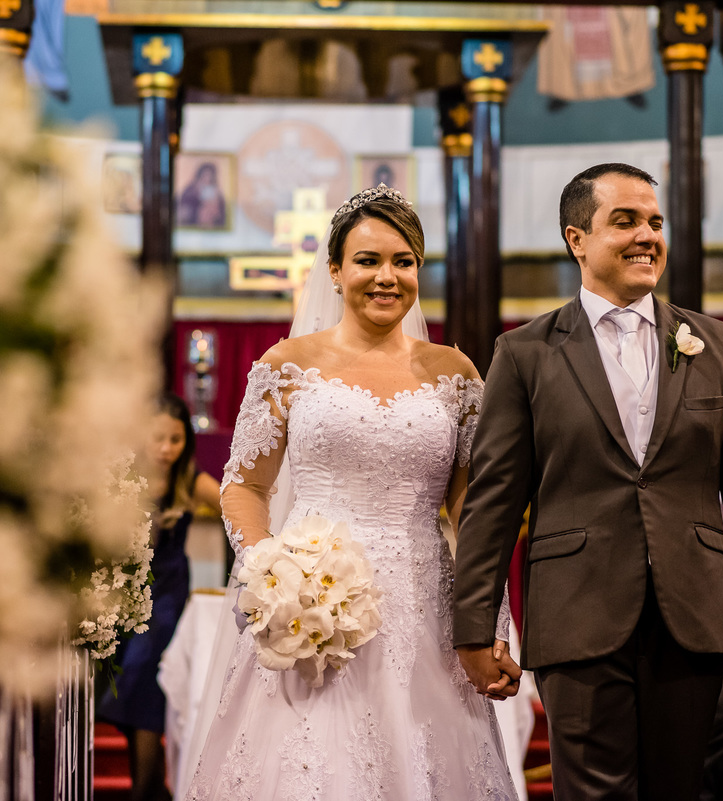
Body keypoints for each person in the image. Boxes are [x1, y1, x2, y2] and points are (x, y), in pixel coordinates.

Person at [451, 163, 723, 801]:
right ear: (576, 238)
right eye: (626, 221)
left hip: (690, 617)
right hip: (576, 616)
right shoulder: (525, 354)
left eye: (655, 222)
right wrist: (476, 628)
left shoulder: (714, 344)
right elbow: (493, 503)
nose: (647, 235)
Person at [184, 186, 520, 800]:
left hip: (426, 604)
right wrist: (269, 571)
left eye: (404, 261)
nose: (386, 276)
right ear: (335, 271)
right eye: (367, 261)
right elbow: (244, 485)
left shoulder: (455, 372)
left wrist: (490, 620)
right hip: (309, 605)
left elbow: (474, 509)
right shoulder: (287, 364)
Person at [98, 393, 221, 801]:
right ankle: (151, 787)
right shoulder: (125, 478)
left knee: (143, 676)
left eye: (176, 439)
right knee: (133, 682)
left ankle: (145, 788)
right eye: (158, 439)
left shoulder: (190, 480)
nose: (167, 448)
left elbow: (236, 507)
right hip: (128, 596)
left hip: (167, 596)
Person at [177, 162, 227, 229]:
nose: (207, 179)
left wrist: (214, 201)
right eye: (205, 175)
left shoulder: (216, 191)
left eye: (210, 176)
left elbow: (221, 213)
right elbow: (183, 206)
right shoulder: (191, 189)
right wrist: (195, 194)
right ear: (199, 175)